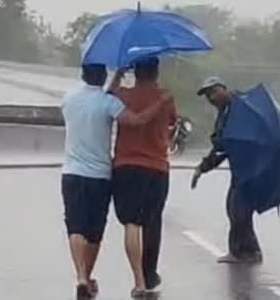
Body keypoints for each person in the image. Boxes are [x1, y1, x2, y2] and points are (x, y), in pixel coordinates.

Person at [61, 64, 173, 300]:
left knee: (77, 226)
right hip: (113, 173)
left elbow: (106, 96)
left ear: (83, 74)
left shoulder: (71, 98)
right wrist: (161, 102)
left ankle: (83, 277)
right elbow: (140, 119)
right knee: (101, 231)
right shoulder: (112, 102)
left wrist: (118, 77)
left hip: (80, 171)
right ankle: (142, 280)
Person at [110, 57, 176, 295]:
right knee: (153, 220)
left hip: (126, 165)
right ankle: (149, 274)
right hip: (157, 167)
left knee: (131, 222)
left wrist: (118, 74)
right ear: (156, 72)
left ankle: (137, 277)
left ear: (135, 72)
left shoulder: (123, 95)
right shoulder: (165, 96)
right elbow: (171, 122)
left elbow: (108, 94)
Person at [191, 76, 262, 264]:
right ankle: (251, 250)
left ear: (224, 88)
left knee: (237, 208)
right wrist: (203, 167)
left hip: (251, 167)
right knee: (237, 208)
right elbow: (222, 146)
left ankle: (241, 251)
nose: (211, 98)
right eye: (207, 95)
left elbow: (225, 144)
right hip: (241, 168)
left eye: (213, 92)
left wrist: (204, 166)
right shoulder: (226, 112)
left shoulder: (240, 108)